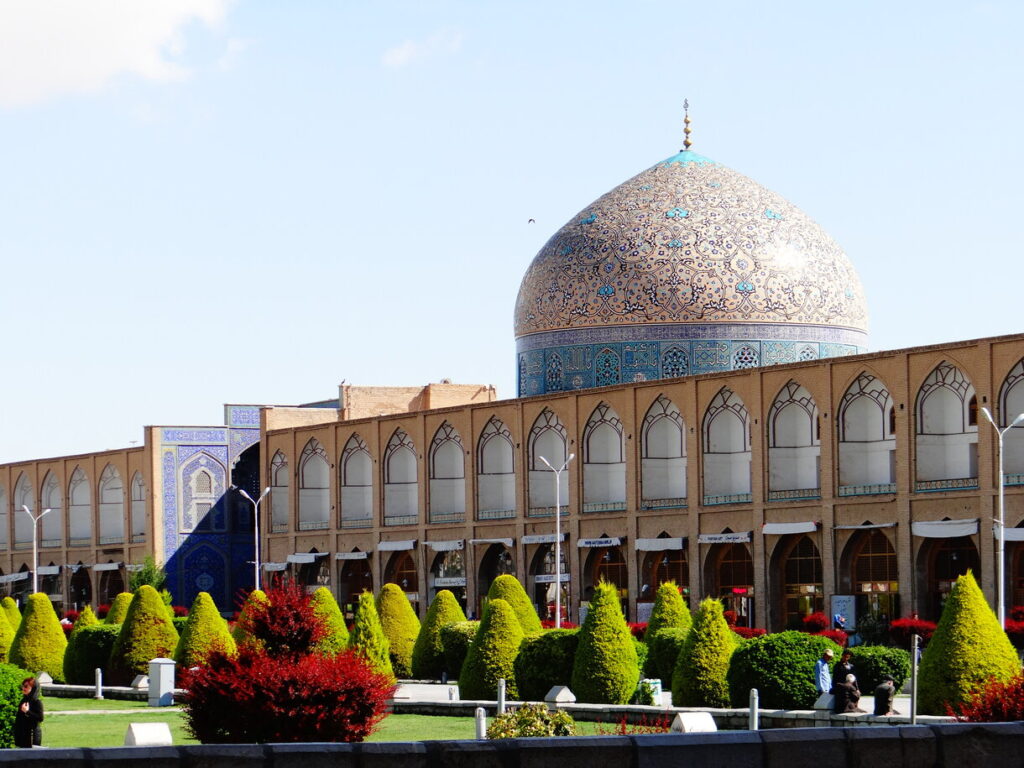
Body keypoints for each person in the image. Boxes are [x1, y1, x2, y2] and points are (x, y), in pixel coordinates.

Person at [13, 676, 43, 748]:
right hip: (22, 735)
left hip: (32, 736)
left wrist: (27, 711)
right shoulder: (24, 700)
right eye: (23, 686)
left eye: (26, 686)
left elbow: (40, 718)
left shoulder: (36, 702)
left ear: (33, 688)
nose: (23, 688)